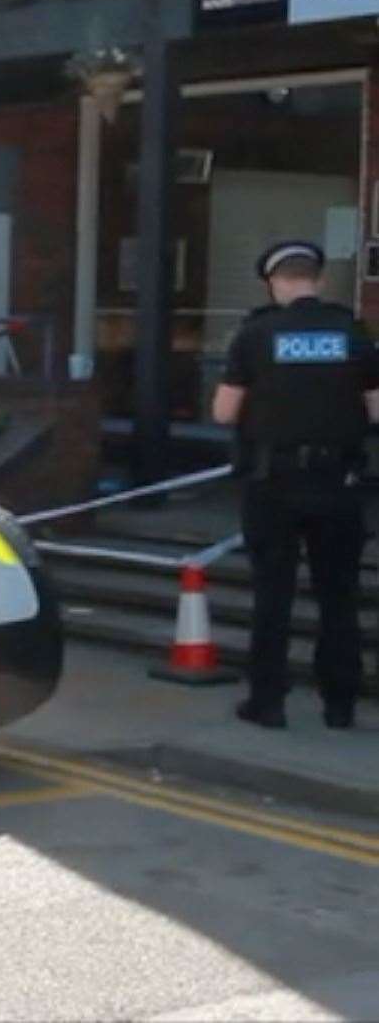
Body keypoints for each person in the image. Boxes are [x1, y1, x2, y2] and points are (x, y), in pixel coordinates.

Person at [213, 239, 379, 731]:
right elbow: (376, 409)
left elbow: (224, 412)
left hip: (274, 483)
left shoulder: (255, 334)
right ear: (319, 281)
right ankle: (340, 703)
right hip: (339, 482)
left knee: (273, 595)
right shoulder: (353, 333)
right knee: (339, 596)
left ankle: (267, 701)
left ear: (274, 282)